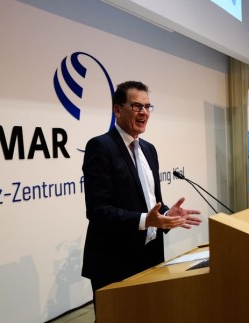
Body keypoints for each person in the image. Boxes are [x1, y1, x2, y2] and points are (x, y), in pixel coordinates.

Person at [81, 81, 202, 311]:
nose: (144, 112)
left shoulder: (149, 149)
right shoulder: (100, 147)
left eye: (148, 107)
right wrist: (146, 220)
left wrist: (167, 213)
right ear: (117, 109)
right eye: (137, 106)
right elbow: (97, 210)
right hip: (114, 262)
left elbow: (151, 202)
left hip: (150, 256)